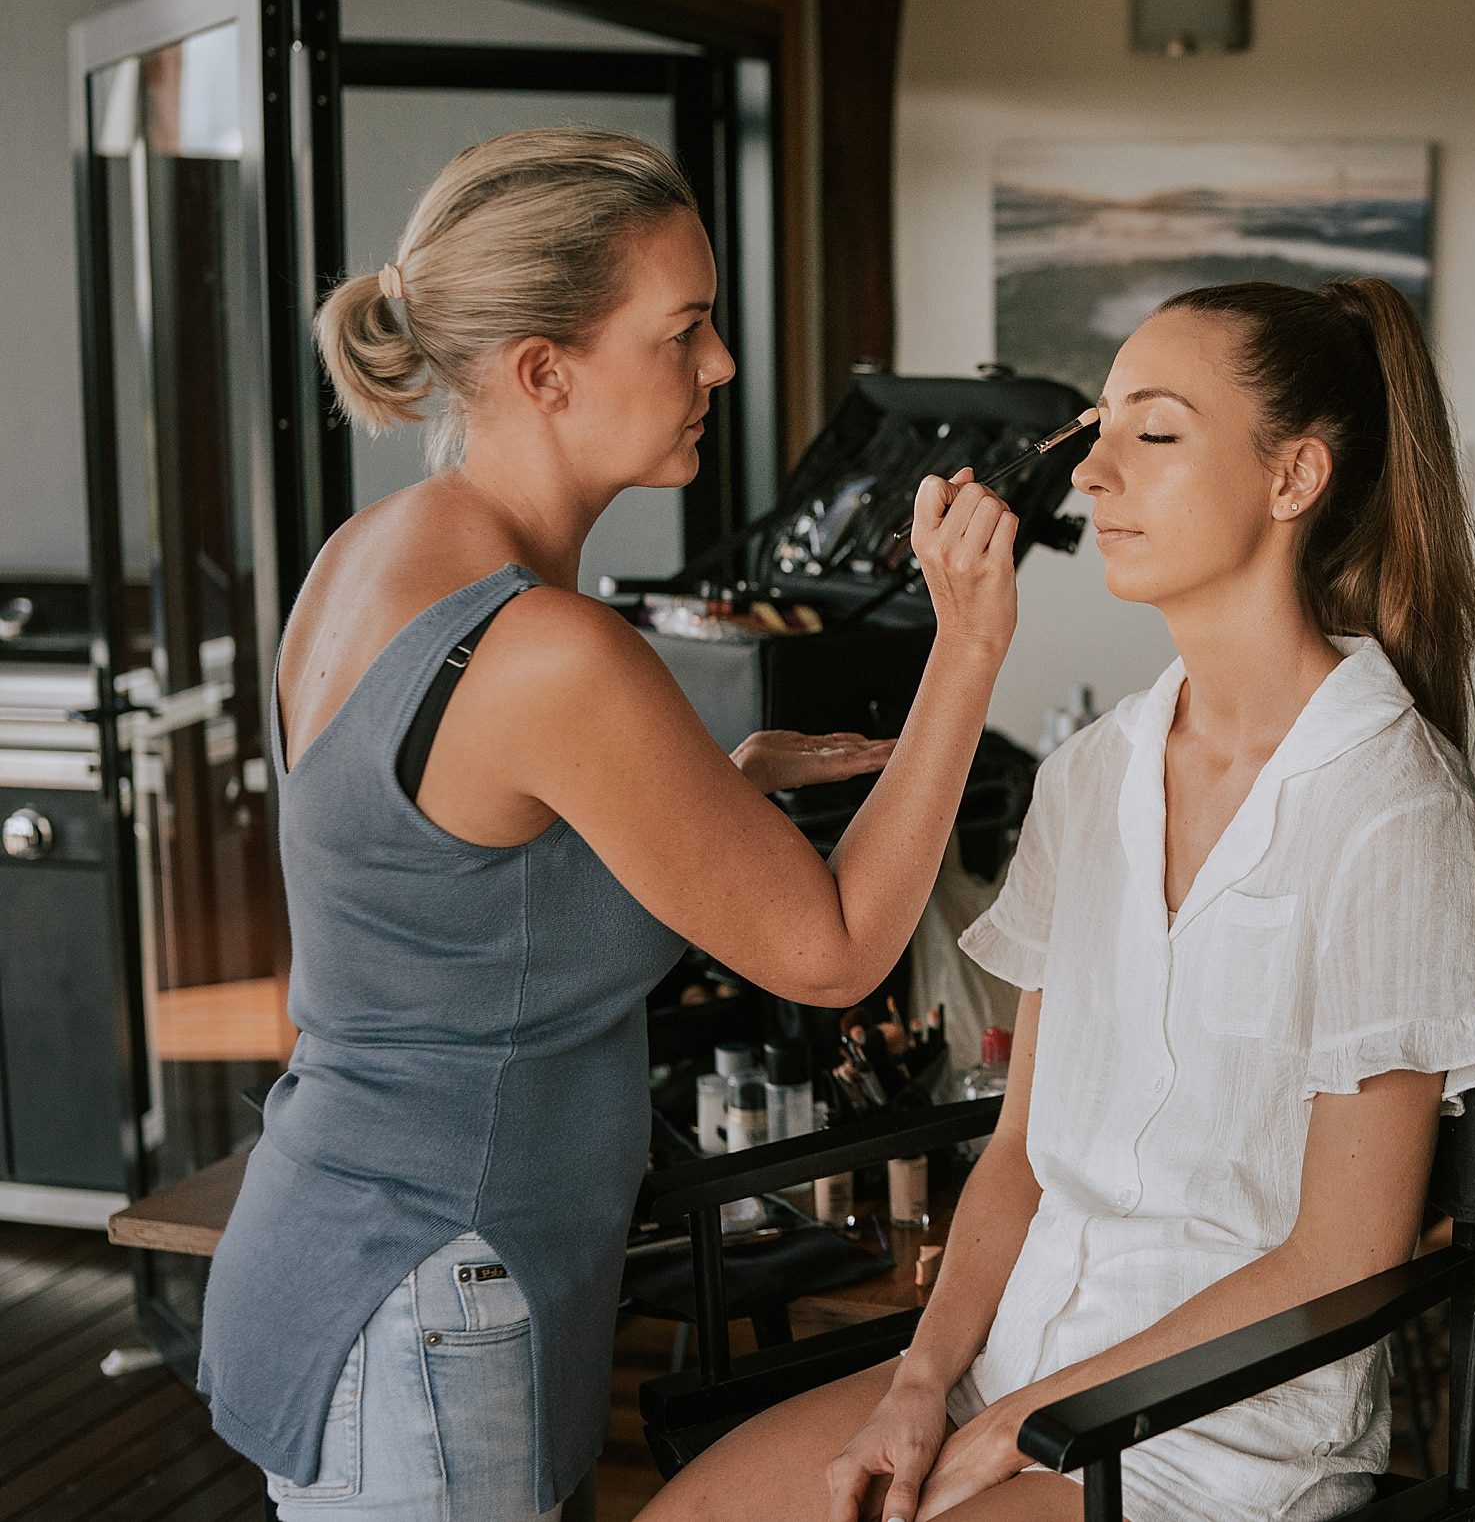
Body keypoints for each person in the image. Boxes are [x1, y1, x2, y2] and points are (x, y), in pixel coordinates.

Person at [197, 128, 1022, 1522]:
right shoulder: (553, 648)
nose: (721, 366)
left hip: (337, 1246)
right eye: (686, 328)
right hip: (427, 1296)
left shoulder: (369, 555)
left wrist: (719, 780)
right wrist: (969, 647)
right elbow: (832, 951)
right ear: (542, 369)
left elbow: (455, 886)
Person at [643, 277, 1475, 1522]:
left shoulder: (1393, 806)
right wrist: (923, 1376)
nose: (1092, 474)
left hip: (1222, 1432)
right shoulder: (1089, 774)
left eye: (1152, 433)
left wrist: (1014, 1428)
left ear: (1294, 479)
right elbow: (1018, 1151)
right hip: (1008, 1365)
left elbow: (1344, 1252)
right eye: (1097, 429)